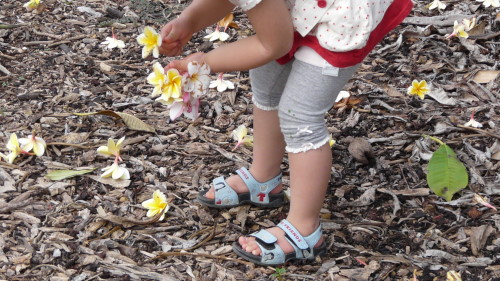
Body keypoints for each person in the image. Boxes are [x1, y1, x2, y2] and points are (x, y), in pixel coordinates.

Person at [159, 0, 413, 266]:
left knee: (300, 115)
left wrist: (204, 62)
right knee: (268, 80)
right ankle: (264, 178)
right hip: (299, 9)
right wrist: (189, 20)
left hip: (341, 19)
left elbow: (273, 45)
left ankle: (304, 227)